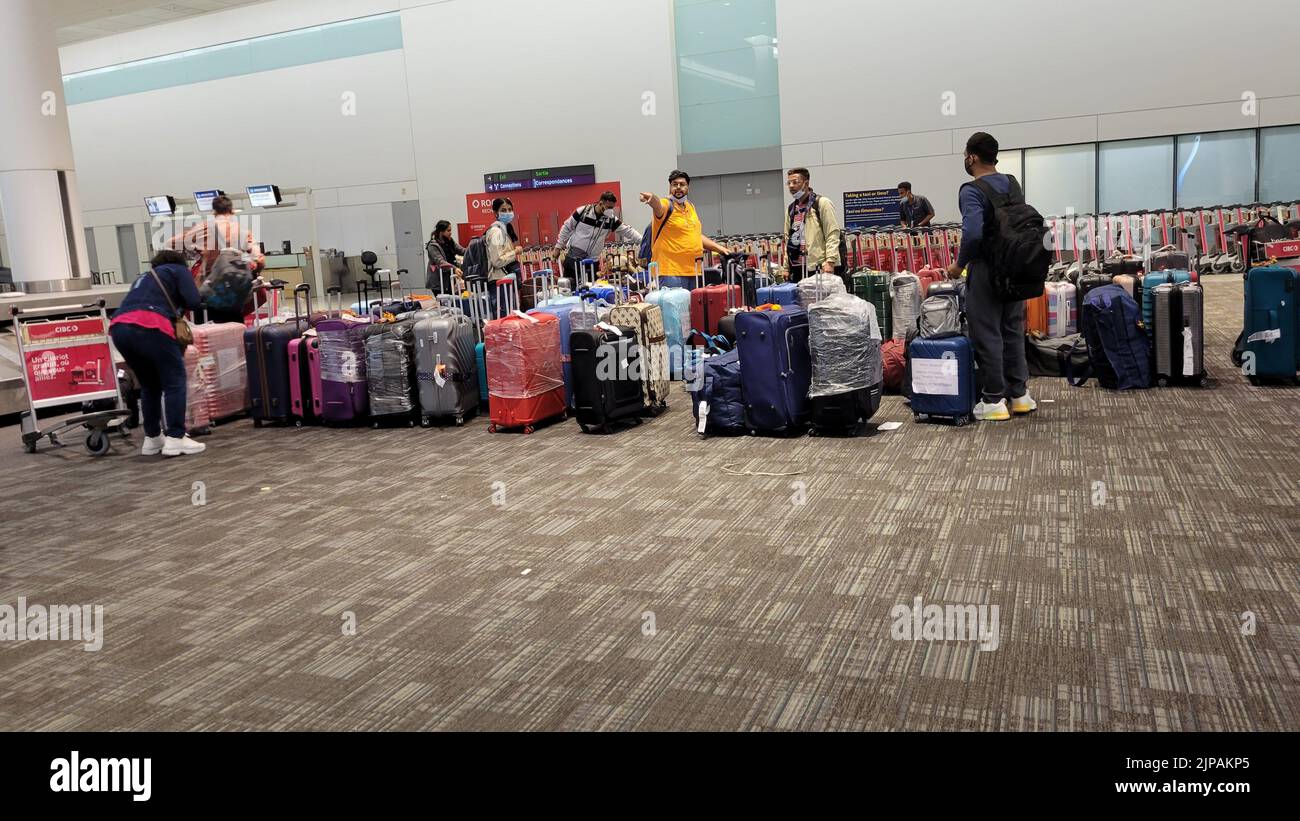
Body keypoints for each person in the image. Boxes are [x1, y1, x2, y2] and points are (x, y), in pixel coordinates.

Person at [946, 131, 1036, 422]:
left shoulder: (971, 190)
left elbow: (972, 233)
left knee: (987, 333)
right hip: (1017, 268)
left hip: (986, 268)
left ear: (972, 157)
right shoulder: (1012, 183)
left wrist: (959, 265)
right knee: (1012, 330)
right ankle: (1020, 396)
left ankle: (994, 400)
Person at [109, 249, 206, 456]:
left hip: (119, 328)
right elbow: (194, 301)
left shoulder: (144, 277)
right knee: (175, 381)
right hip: (152, 326)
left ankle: (152, 438)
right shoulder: (177, 270)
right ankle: (176, 437)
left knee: (149, 385)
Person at [165, 194, 264, 323]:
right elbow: (259, 259)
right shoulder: (242, 231)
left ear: (214, 211)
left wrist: (195, 250)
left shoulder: (205, 227)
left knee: (207, 335)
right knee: (234, 331)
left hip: (208, 291)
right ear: (232, 211)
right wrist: (253, 271)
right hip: (234, 294)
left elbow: (171, 243)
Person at [638, 170, 732, 289]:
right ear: (670, 187)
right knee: (676, 307)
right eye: (674, 184)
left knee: (692, 307)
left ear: (688, 187)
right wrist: (652, 199)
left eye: (682, 184)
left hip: (693, 270)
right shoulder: (667, 204)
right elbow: (658, 206)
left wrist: (720, 249)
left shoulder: (690, 206)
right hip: (671, 272)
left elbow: (695, 235)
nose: (678, 187)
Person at [553, 192, 642, 281]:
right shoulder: (583, 212)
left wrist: (644, 240)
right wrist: (558, 247)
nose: (610, 210)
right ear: (600, 203)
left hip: (592, 261)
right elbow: (566, 227)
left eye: (612, 207)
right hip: (574, 258)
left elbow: (628, 231)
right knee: (568, 286)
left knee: (592, 289)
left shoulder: (611, 220)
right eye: (608, 207)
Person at [784, 167, 842, 281]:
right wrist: (786, 267)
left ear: (806, 183)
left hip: (818, 266)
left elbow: (832, 233)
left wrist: (830, 261)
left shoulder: (821, 203)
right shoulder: (791, 209)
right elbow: (787, 239)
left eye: (795, 182)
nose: (791, 186)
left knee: (822, 299)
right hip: (797, 267)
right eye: (789, 183)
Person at [485, 197, 522, 284]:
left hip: (505, 278)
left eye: (510, 209)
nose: (508, 213)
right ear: (495, 213)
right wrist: (515, 252)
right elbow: (497, 261)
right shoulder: (496, 232)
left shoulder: (504, 229)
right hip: (498, 280)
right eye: (503, 210)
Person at [426, 220, 465, 293]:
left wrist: (472, 250)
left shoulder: (450, 241)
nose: (451, 232)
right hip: (438, 281)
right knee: (445, 302)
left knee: (453, 301)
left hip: (449, 278)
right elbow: (440, 262)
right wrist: (454, 268)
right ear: (441, 232)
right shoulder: (432, 245)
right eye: (448, 230)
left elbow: (461, 250)